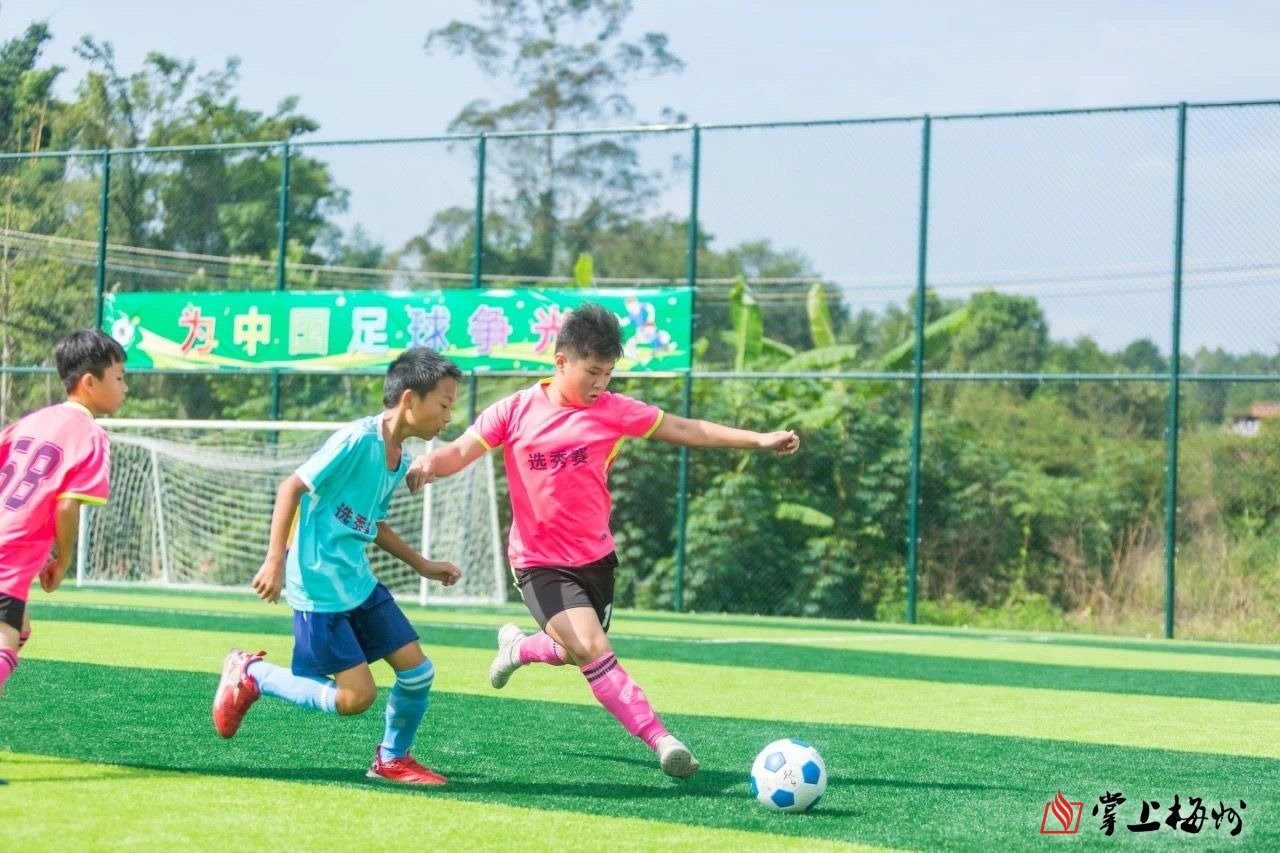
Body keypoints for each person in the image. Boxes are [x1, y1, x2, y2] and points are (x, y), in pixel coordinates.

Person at [406, 302, 800, 779]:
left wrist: (758, 440)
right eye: (593, 372)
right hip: (537, 561)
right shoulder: (513, 411)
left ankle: (518, 648)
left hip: (595, 560)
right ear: (561, 361)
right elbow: (460, 451)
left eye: (608, 373)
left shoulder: (614, 411)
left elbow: (685, 428)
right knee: (593, 647)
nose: (601, 383)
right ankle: (662, 740)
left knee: (574, 650)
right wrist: (429, 464)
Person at [212, 348, 464, 786]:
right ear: (410, 399)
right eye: (444, 404)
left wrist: (422, 565)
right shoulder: (355, 441)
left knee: (418, 673)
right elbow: (291, 487)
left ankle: (391, 759)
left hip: (358, 582)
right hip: (319, 586)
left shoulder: (399, 460)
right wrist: (274, 560)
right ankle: (251, 673)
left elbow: (372, 522)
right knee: (356, 698)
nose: (448, 417)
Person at [0, 330, 128, 701]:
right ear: (90, 382)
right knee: (7, 639)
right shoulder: (90, 435)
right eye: (119, 378)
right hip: (11, 551)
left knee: (20, 629)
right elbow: (67, 505)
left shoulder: (30, 421)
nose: (125, 388)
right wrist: (64, 559)